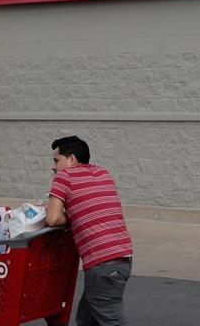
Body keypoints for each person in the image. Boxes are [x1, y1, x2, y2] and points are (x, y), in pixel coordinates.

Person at [46, 135, 134, 326]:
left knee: (111, 320)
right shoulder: (103, 172)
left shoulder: (64, 177)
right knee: (86, 319)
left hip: (101, 263)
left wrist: (69, 216)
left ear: (71, 159)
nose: (53, 166)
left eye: (56, 160)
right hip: (123, 257)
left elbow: (52, 218)